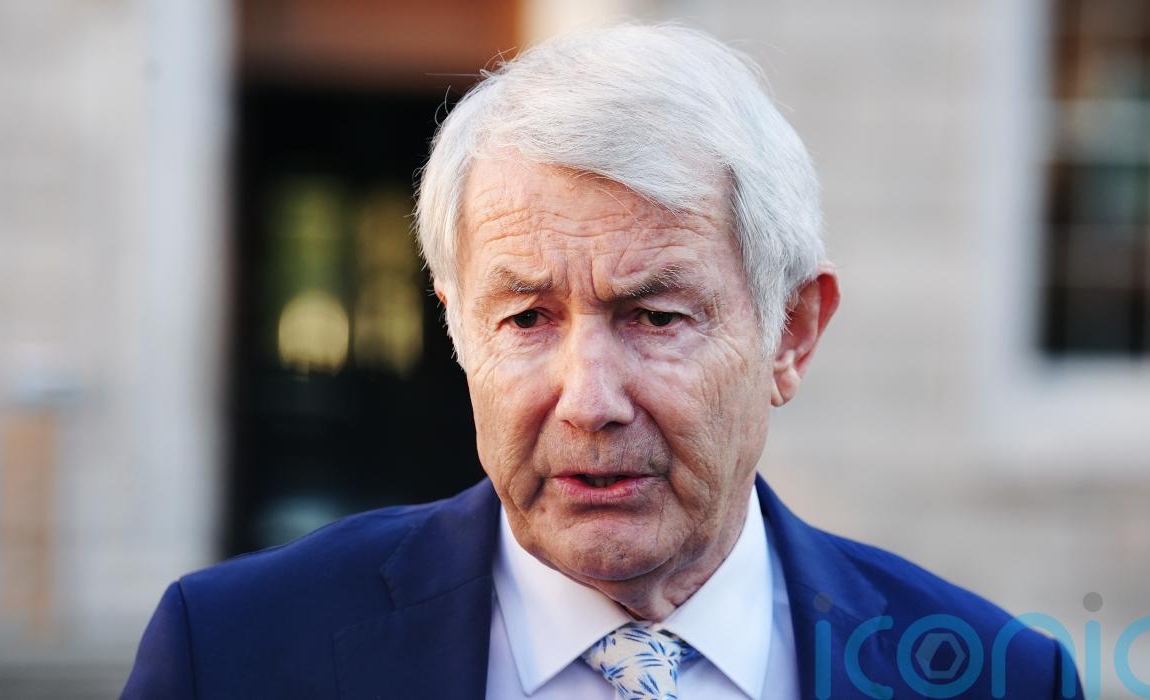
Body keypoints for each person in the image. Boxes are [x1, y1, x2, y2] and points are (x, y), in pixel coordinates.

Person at [123, 24, 1080, 699]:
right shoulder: (233, 656)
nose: (588, 401)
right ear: (459, 332)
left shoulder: (997, 679)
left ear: (791, 333)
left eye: (656, 317)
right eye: (527, 318)